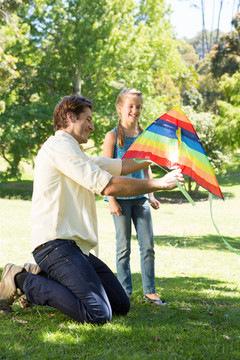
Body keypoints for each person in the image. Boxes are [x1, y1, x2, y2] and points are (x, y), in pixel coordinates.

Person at [0, 95, 184, 324]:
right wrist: (159, 184)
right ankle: (21, 279)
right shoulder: (59, 147)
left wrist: (156, 157)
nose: (92, 125)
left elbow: (121, 166)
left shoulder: (76, 153)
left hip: (74, 248)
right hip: (54, 245)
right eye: (87, 119)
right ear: (70, 117)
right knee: (97, 313)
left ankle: (41, 275)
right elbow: (108, 185)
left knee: (120, 304)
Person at [103, 88, 167, 305]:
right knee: (123, 248)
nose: (135, 110)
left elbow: (146, 169)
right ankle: (124, 292)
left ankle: (150, 291)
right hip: (119, 199)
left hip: (140, 200)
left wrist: (152, 194)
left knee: (148, 246)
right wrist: (111, 200)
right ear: (120, 108)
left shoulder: (144, 137)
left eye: (138, 106)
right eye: (130, 106)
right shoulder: (112, 136)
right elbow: (105, 171)